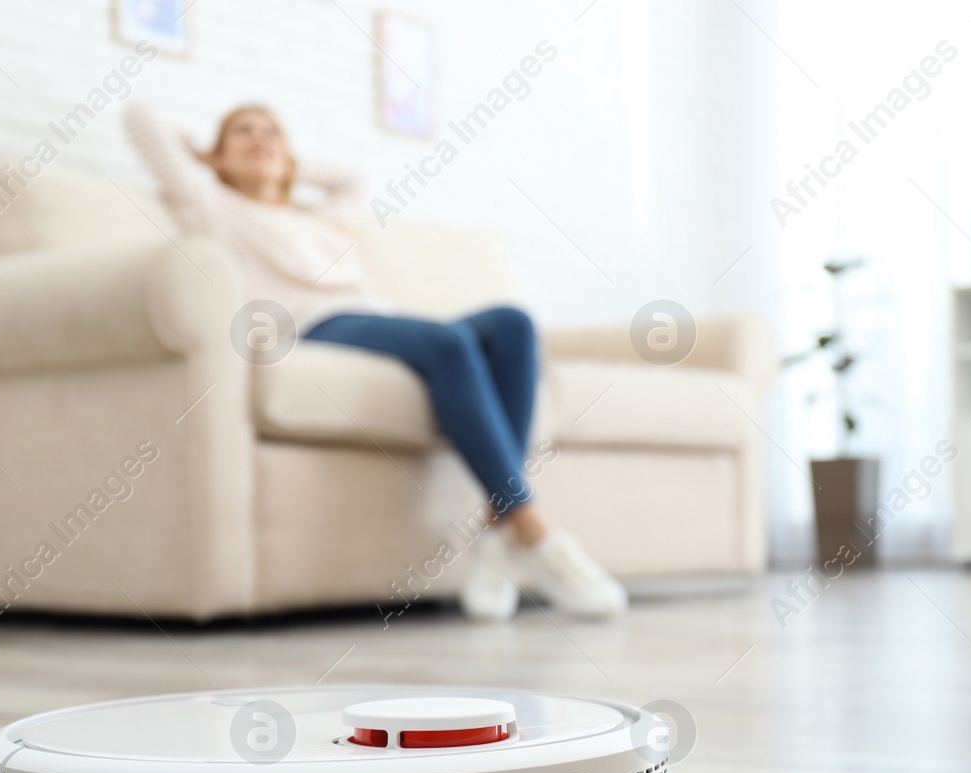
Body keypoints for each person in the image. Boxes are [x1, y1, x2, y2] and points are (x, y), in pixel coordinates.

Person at [123, 100, 626, 620]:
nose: (260, 140)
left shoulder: (324, 218)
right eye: (243, 134)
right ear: (215, 158)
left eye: (272, 133)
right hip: (314, 327)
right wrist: (212, 159)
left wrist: (286, 163)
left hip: (374, 318)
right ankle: (534, 531)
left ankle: (496, 532)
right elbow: (143, 120)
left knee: (512, 325)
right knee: (451, 344)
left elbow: (350, 179)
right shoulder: (210, 205)